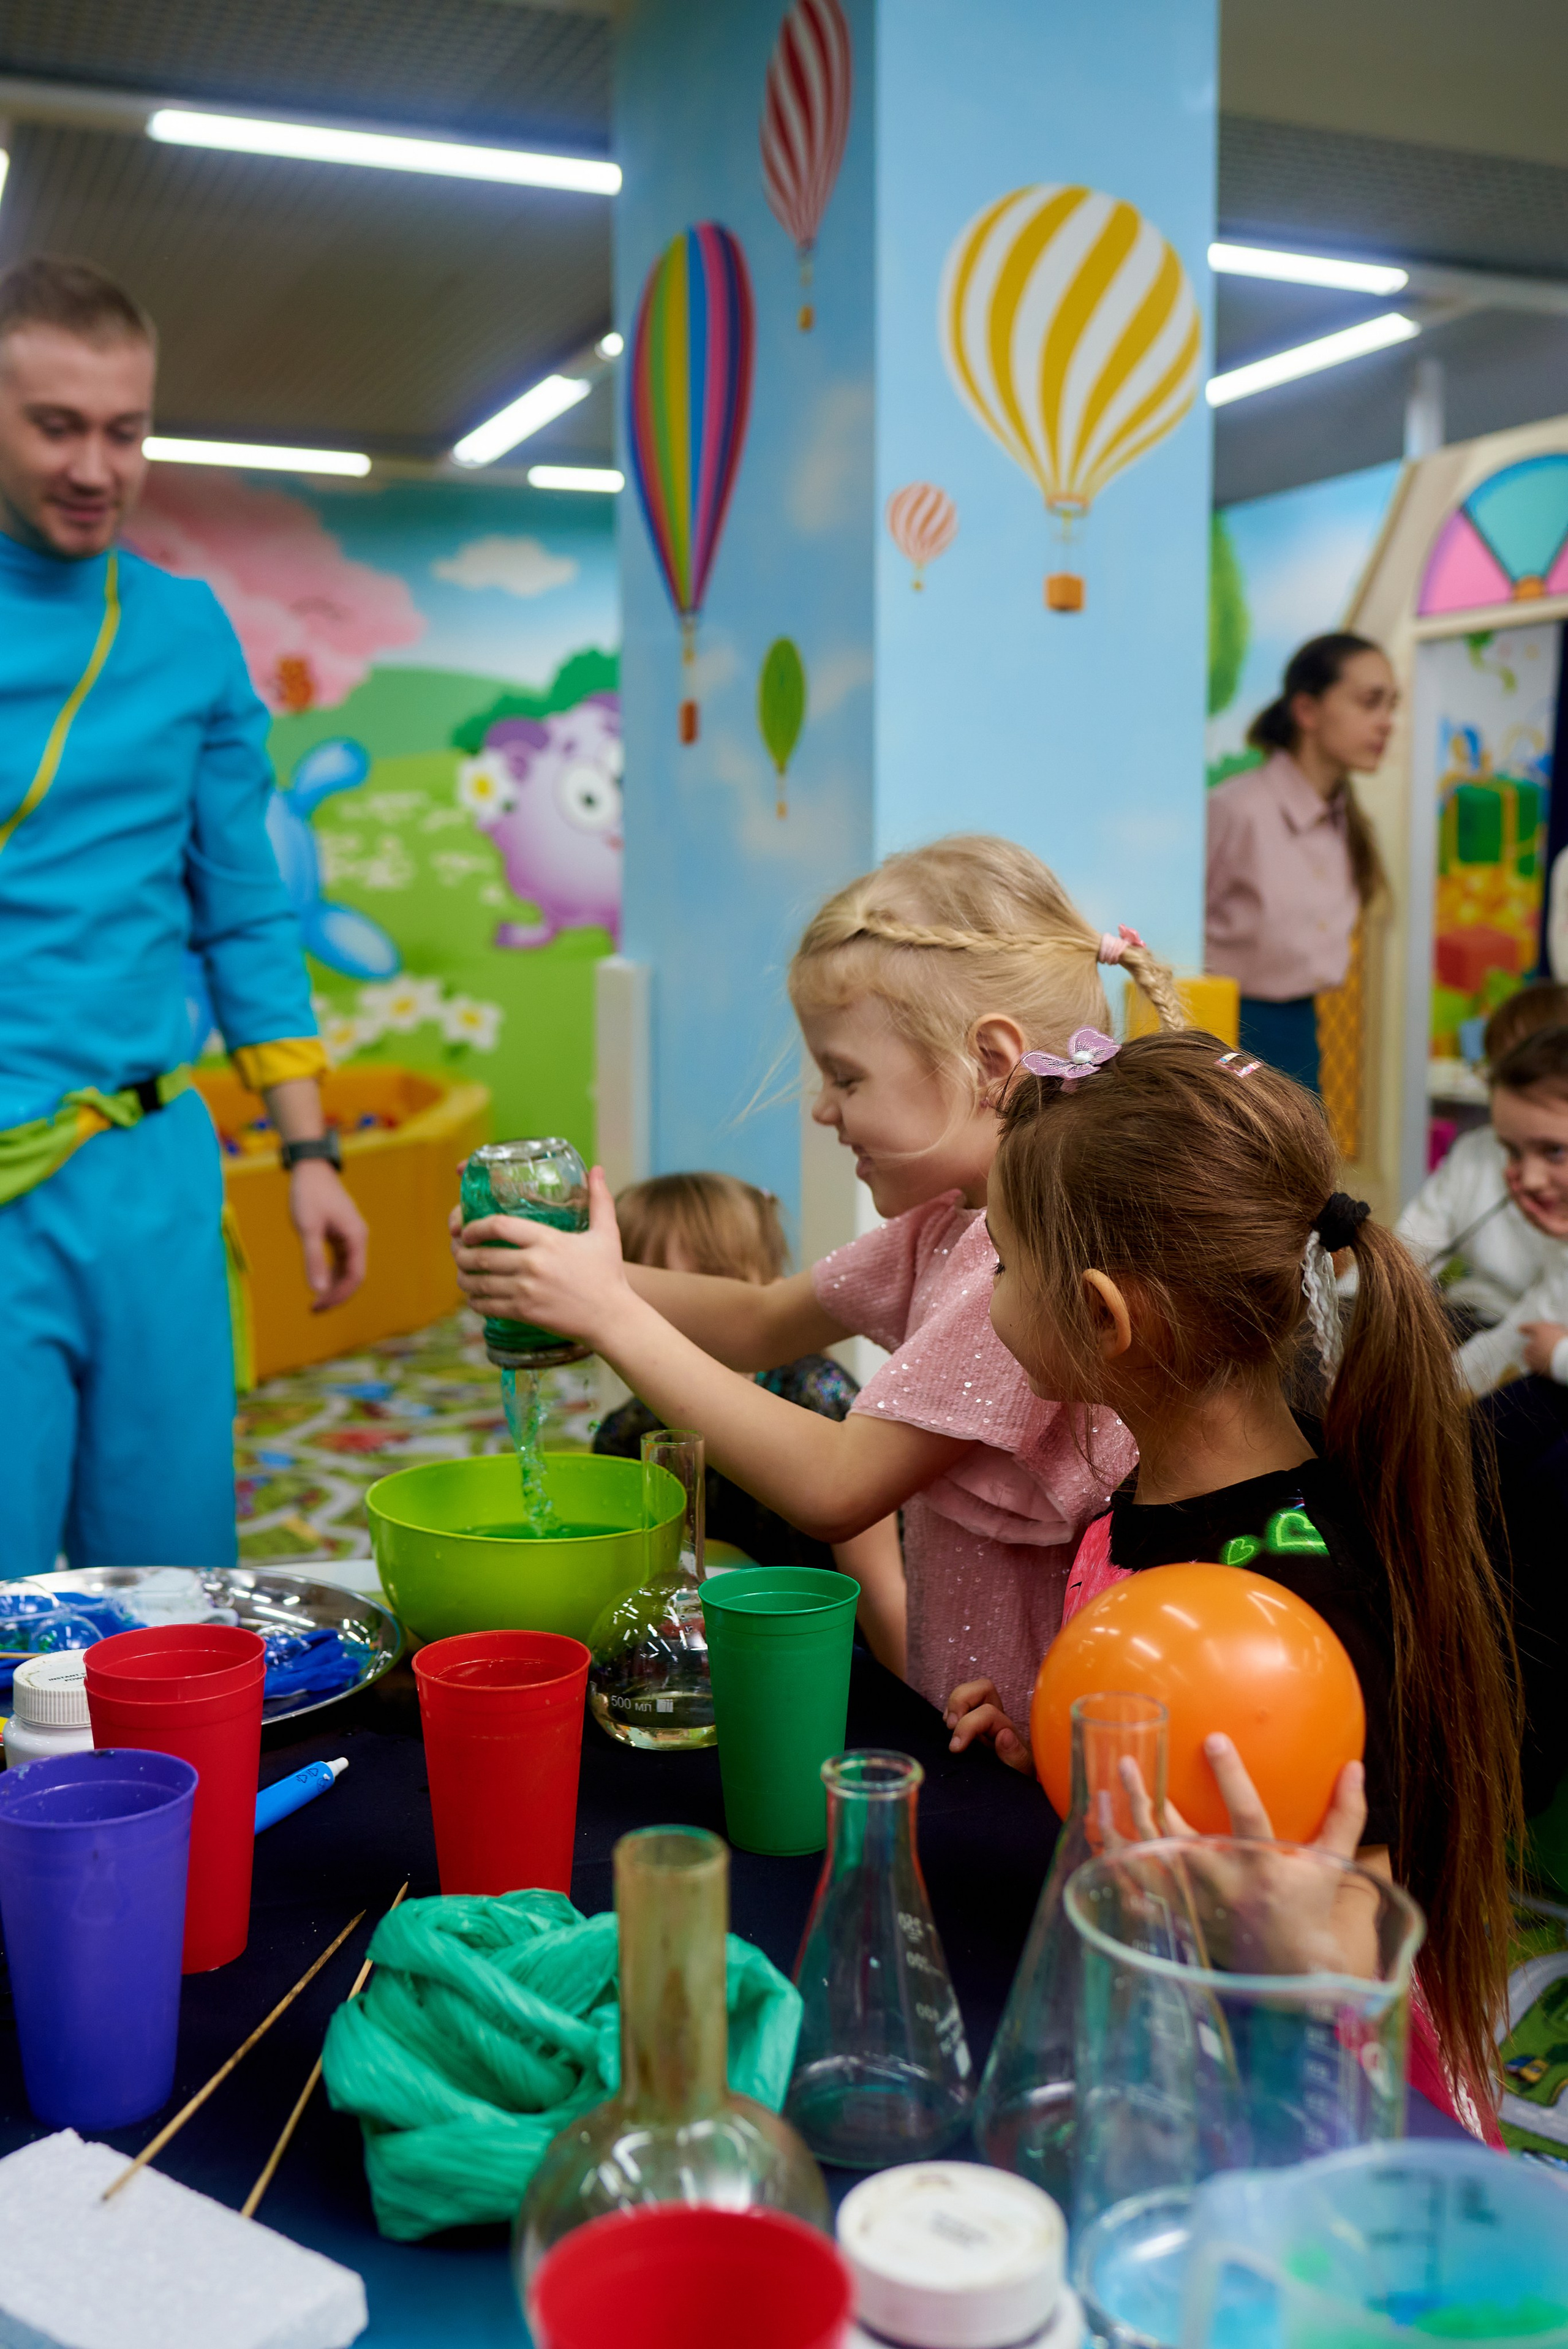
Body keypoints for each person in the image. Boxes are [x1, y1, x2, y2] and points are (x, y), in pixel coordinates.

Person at [454, 834, 1180, 1724]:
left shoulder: (1027, 1266)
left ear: (992, 1061)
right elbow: (760, 1320)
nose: (823, 1106)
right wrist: (571, 1270)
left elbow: (838, 1485)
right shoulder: (943, 1223)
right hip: (969, 1719)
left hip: (1037, 1751)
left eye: (846, 1074)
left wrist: (605, 1310)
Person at [947, 1028, 1521, 2138]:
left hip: (1323, 2113)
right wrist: (1078, 1748)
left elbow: (1353, 1941)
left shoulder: (1295, 1600)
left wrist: (1298, 1939)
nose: (994, 1296)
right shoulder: (1168, 1491)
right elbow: (1223, 1769)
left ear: (1108, 1319)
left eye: (1008, 1268)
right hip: (1183, 2046)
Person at [0, 255, 366, 1571]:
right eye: (55, 425)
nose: (97, 464)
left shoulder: (187, 631)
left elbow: (246, 913)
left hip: (153, 1172)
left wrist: (311, 1155)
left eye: (126, 429)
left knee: (166, 1574)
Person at [592, 1171, 908, 1671]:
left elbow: (881, 1594)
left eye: (709, 1280)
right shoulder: (624, 1432)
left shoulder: (818, 1401)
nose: (678, 1312)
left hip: (827, 1665)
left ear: (767, 1293)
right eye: (651, 1284)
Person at [1206, 633, 1395, 1092]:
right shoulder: (1237, 808)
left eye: (1392, 705)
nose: (1387, 722)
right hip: (1225, 1032)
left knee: (1300, 1160)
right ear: (1307, 710)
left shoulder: (1343, 817)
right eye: (1370, 703)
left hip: (1301, 1030)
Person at [1395, 987, 1568, 1391]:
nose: (1530, 1179)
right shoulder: (1475, 1154)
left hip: (1519, 1340)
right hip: (1472, 1317)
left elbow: (1529, 1328)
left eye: (1554, 1151)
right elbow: (1414, 1242)